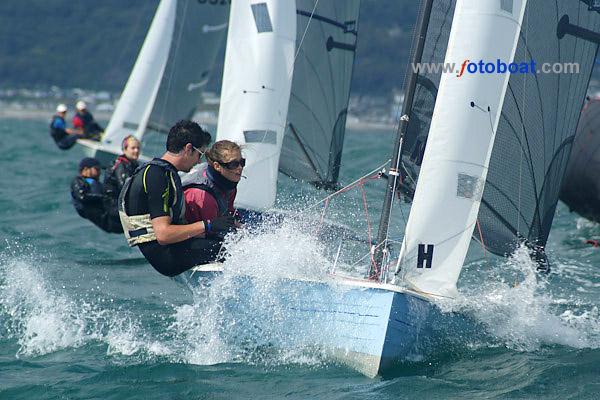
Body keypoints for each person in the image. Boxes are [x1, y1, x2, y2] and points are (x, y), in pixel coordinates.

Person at [119, 120, 237, 277]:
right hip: (165, 256)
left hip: (171, 248)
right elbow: (163, 235)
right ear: (188, 149)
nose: (199, 161)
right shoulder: (157, 176)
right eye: (199, 154)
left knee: (232, 241)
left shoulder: (161, 171)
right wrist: (208, 225)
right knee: (235, 250)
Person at [182, 140, 243, 229]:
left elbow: (230, 211)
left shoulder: (229, 182)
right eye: (234, 164)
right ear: (217, 166)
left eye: (242, 162)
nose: (240, 168)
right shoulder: (204, 197)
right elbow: (212, 232)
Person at [71, 157, 123, 233]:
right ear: (86, 169)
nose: (99, 172)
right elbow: (82, 196)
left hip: (109, 214)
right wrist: (103, 198)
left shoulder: (96, 183)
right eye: (97, 169)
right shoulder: (78, 181)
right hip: (106, 218)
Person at [104, 135, 141, 204]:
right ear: (125, 149)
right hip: (113, 204)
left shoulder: (134, 164)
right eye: (133, 148)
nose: (136, 150)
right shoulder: (120, 165)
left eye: (138, 148)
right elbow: (124, 187)